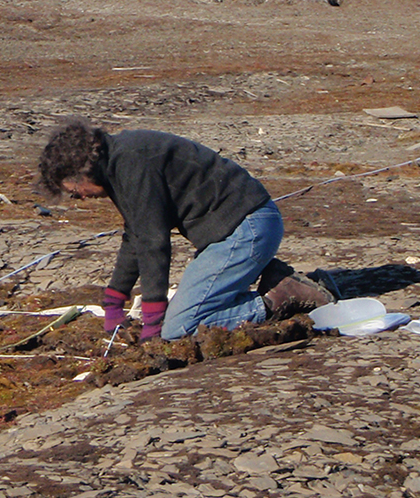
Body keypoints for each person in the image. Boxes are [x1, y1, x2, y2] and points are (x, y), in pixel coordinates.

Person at [38, 119, 333, 342]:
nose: (83, 198)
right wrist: (115, 299)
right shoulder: (119, 162)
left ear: (82, 171)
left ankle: (279, 296)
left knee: (179, 328)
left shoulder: (132, 163)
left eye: (76, 192)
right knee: (182, 316)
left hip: (247, 229)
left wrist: (153, 321)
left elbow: (154, 241)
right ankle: (271, 278)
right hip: (237, 231)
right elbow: (136, 236)